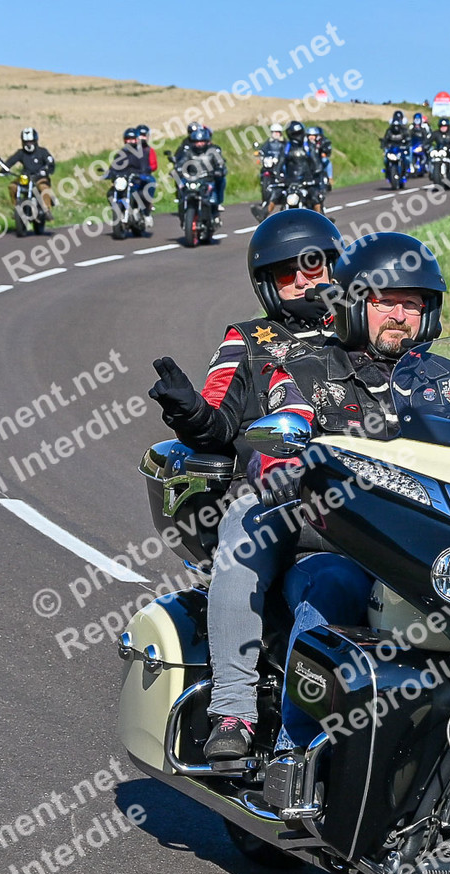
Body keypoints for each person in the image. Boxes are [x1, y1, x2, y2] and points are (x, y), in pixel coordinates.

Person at [270, 231, 450, 750]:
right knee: (333, 586)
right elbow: (277, 455)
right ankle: (293, 747)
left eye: (412, 304)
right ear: (352, 305)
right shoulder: (304, 370)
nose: (400, 316)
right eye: (385, 301)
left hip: (433, 553)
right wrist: (289, 467)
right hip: (336, 545)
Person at [146, 209, 346, 758]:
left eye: (314, 265)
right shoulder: (250, 340)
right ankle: (233, 709)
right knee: (242, 538)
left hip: (366, 496)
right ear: (267, 283)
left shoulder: (359, 332)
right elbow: (216, 423)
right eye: (288, 271)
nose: (304, 279)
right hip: (277, 497)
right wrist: (189, 412)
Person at [0, 126, 56, 220]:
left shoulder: (42, 152)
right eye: (26, 142)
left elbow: (50, 162)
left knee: (44, 188)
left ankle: (47, 210)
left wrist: (47, 169)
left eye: (30, 142)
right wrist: (4, 169)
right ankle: (16, 209)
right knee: (12, 187)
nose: (28, 144)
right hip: (25, 178)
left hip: (39, 177)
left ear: (35, 141)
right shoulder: (21, 153)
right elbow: (11, 161)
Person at [104, 127, 154, 234]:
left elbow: (145, 167)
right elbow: (114, 167)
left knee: (142, 195)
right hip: (123, 182)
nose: (130, 141)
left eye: (132, 139)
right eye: (128, 139)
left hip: (136, 182)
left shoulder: (141, 153)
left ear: (136, 140)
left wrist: (142, 174)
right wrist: (109, 174)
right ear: (124, 140)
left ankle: (145, 214)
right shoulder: (121, 153)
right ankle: (119, 213)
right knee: (110, 193)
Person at [171, 123, 226, 209]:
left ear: (207, 141)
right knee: (181, 183)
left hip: (208, 179)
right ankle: (181, 200)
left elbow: (220, 163)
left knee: (219, 185)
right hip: (193, 178)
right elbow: (182, 160)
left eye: (202, 141)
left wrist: (219, 170)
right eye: (197, 142)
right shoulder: (188, 150)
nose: (199, 144)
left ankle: (216, 205)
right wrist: (177, 169)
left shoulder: (213, 151)